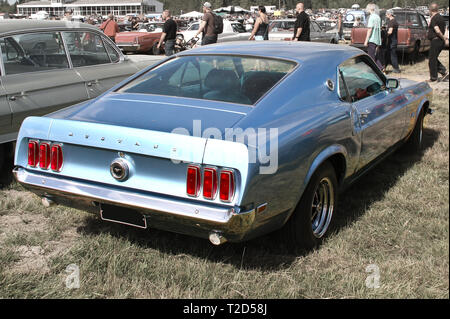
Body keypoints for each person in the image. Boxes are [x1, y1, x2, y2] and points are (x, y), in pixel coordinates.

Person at [427, 3, 449, 82]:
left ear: (431, 10)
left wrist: (444, 39)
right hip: (438, 41)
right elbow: (445, 28)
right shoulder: (441, 18)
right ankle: (444, 72)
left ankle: (434, 78)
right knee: (433, 58)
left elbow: (437, 30)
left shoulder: (434, 18)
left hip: (436, 40)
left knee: (432, 60)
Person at [364, 3, 383, 70]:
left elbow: (369, 29)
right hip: (377, 39)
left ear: (369, 9)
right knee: (375, 56)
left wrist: (366, 41)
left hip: (372, 39)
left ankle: (373, 70)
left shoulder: (371, 17)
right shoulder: (378, 17)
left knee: (371, 56)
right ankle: (381, 68)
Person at [386, 9, 401, 73]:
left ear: (390, 14)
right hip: (394, 40)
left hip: (392, 41)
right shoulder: (395, 21)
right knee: (390, 54)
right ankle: (384, 66)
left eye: (386, 14)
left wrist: (385, 34)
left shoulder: (391, 22)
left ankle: (396, 68)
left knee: (392, 55)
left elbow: (390, 31)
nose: (386, 15)